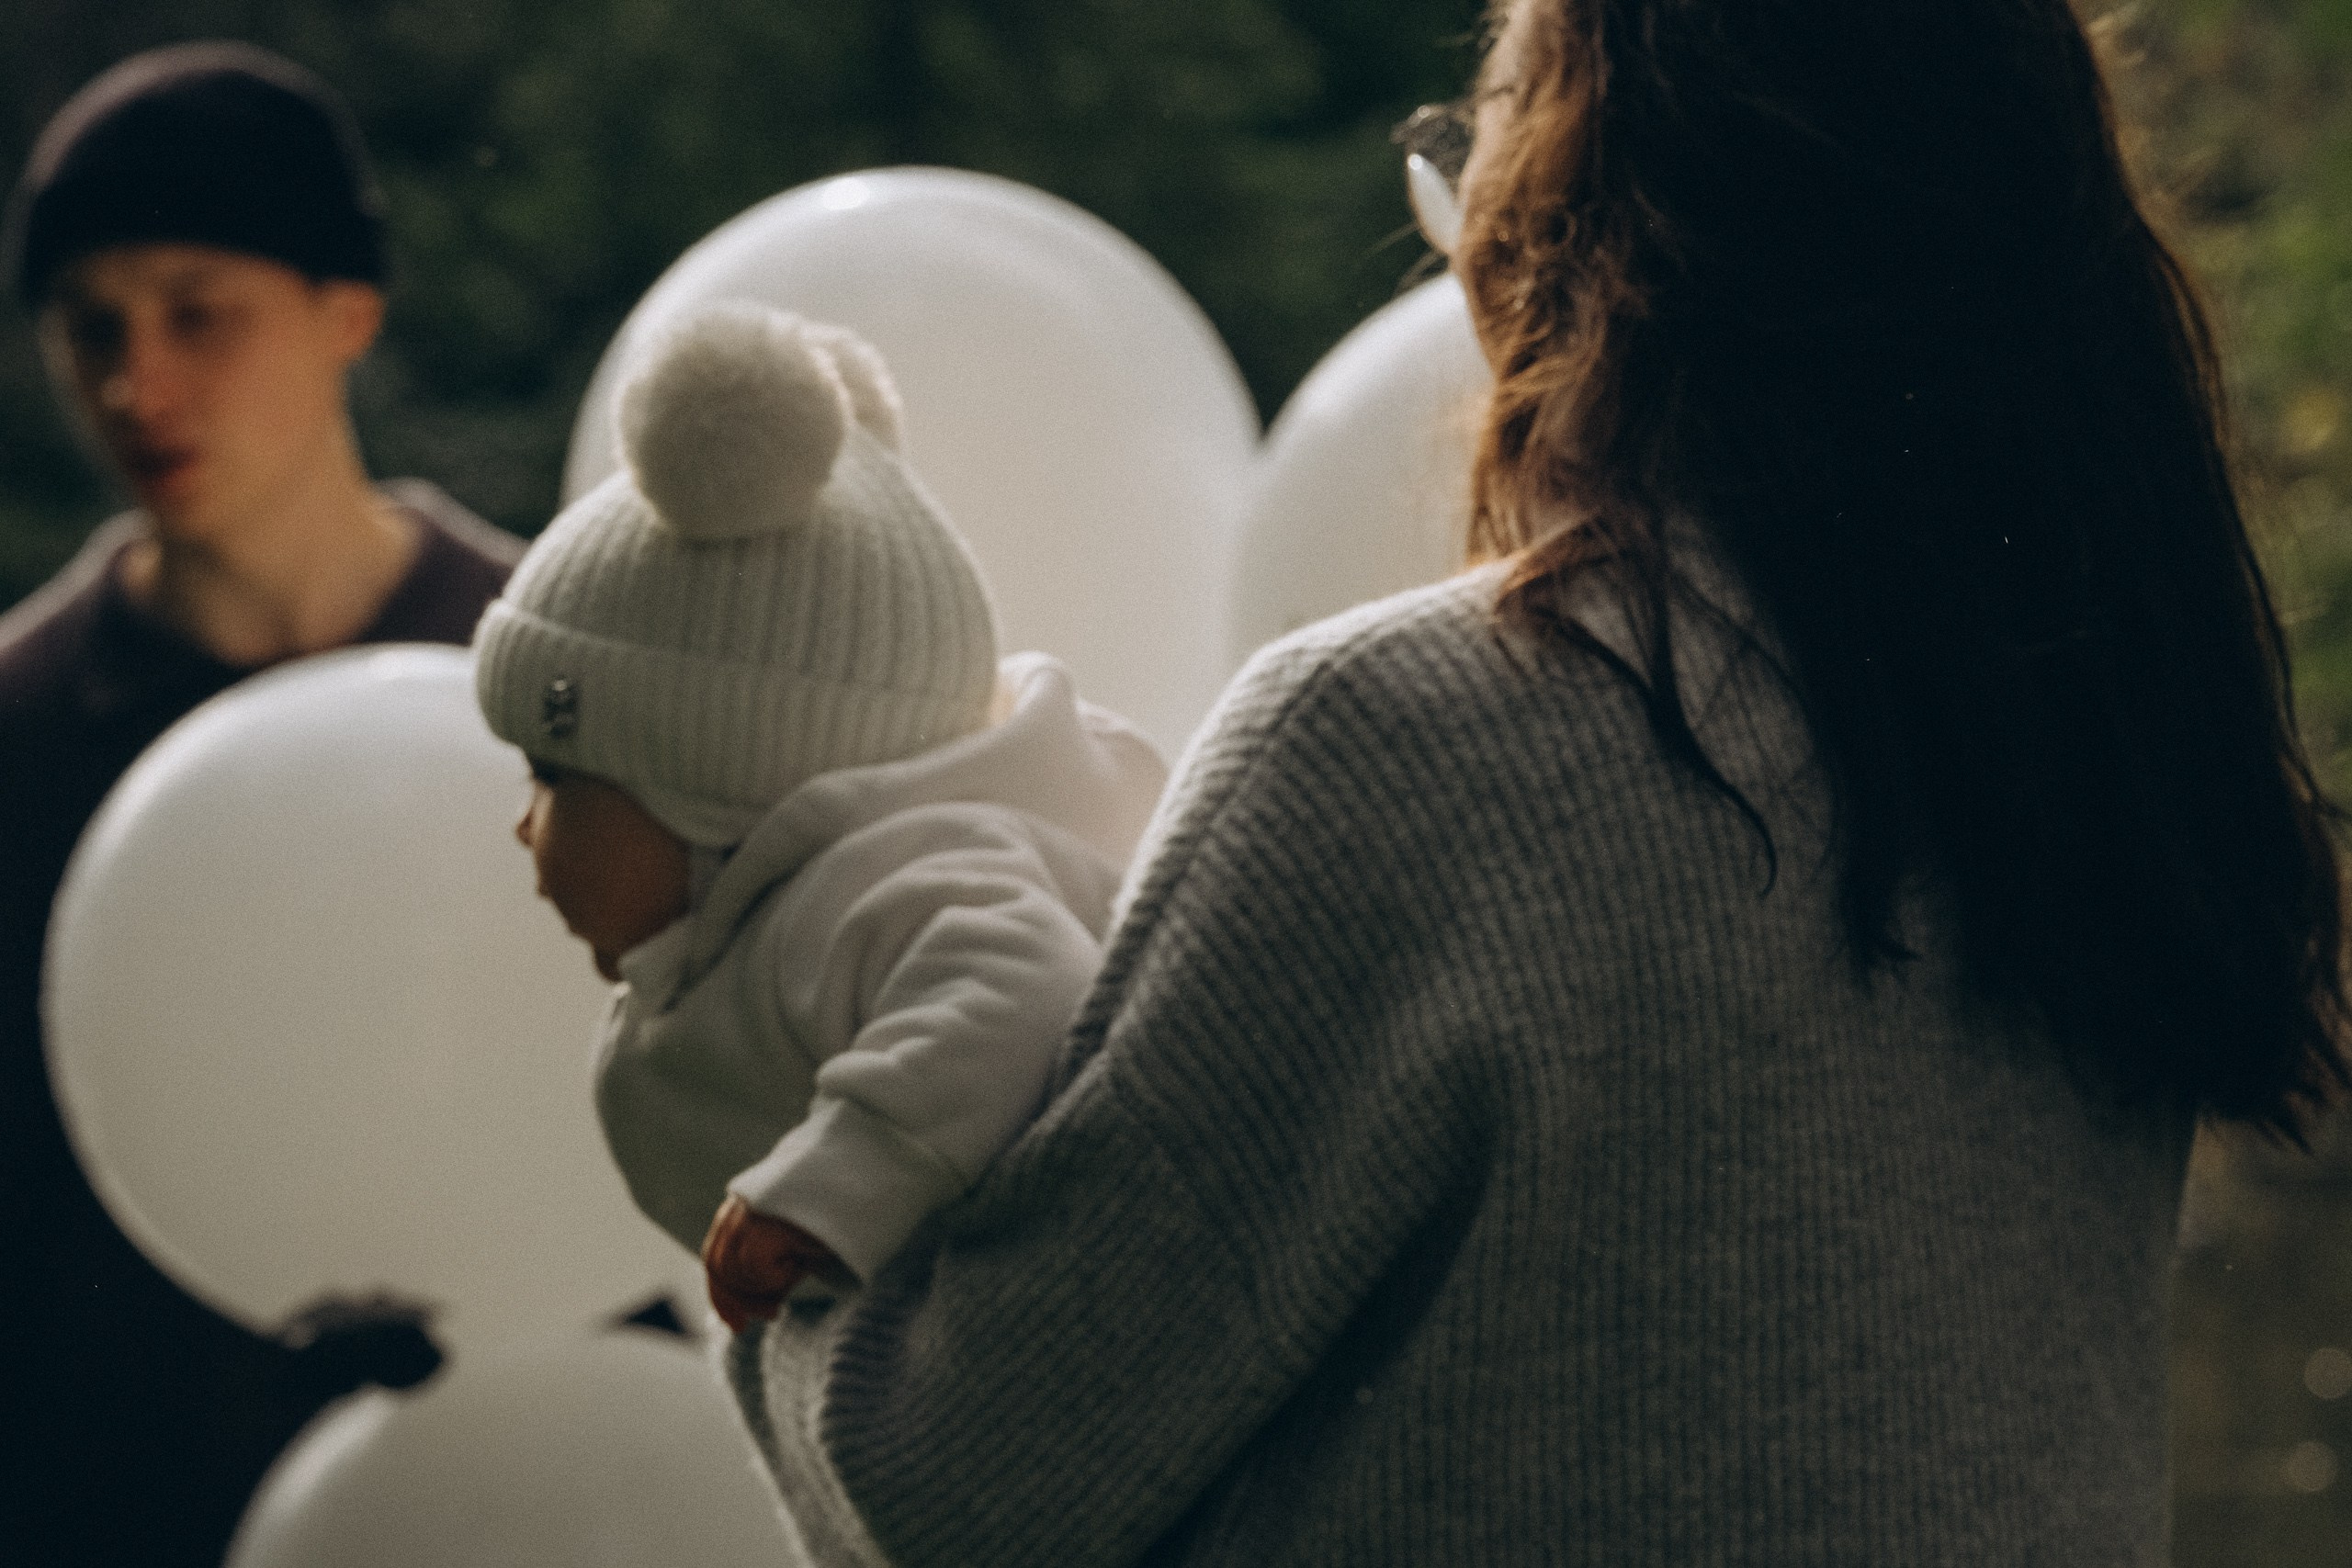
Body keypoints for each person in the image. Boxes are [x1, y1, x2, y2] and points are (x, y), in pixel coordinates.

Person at [760, 1, 2352, 1562]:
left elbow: (953, 1491)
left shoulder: (1405, 748)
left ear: (1577, 237)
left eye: (1483, 151)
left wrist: (769, 1075)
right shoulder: (2097, 774)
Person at [470, 301, 1163, 1554]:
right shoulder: (789, 913)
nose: (525, 829)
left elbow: (1026, 990)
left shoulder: (891, 883)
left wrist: (835, 1184)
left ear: (712, 782)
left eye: (554, 775)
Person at [0, 43, 521, 1566]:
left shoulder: (549, 679)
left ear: (346, 309)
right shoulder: (19, 731)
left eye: (198, 312)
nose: (135, 383)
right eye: (88, 324)